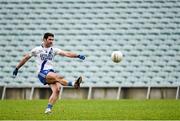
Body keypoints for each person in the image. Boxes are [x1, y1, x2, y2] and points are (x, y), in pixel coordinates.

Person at [12, 32, 85, 114]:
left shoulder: (54, 50)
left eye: (53, 40)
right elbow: (25, 58)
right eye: (50, 39)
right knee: (57, 76)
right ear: (44, 39)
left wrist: (78, 55)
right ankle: (73, 83)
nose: (51, 41)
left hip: (50, 73)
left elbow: (66, 53)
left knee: (57, 89)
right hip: (42, 73)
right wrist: (17, 68)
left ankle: (48, 109)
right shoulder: (37, 50)